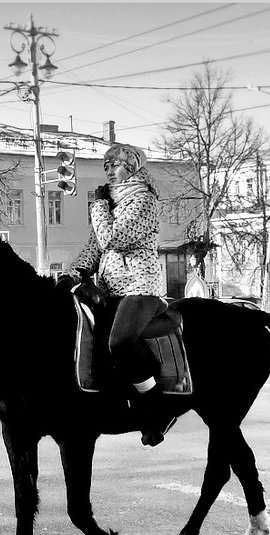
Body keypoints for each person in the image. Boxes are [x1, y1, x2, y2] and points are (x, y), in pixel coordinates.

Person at [65, 142, 174, 446]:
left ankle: (158, 408)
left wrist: (98, 206)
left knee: (121, 341)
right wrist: (73, 273)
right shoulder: (111, 204)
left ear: (133, 166)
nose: (109, 171)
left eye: (115, 165)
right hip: (111, 290)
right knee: (90, 339)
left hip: (141, 287)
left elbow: (113, 238)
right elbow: (94, 247)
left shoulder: (144, 201)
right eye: (106, 166)